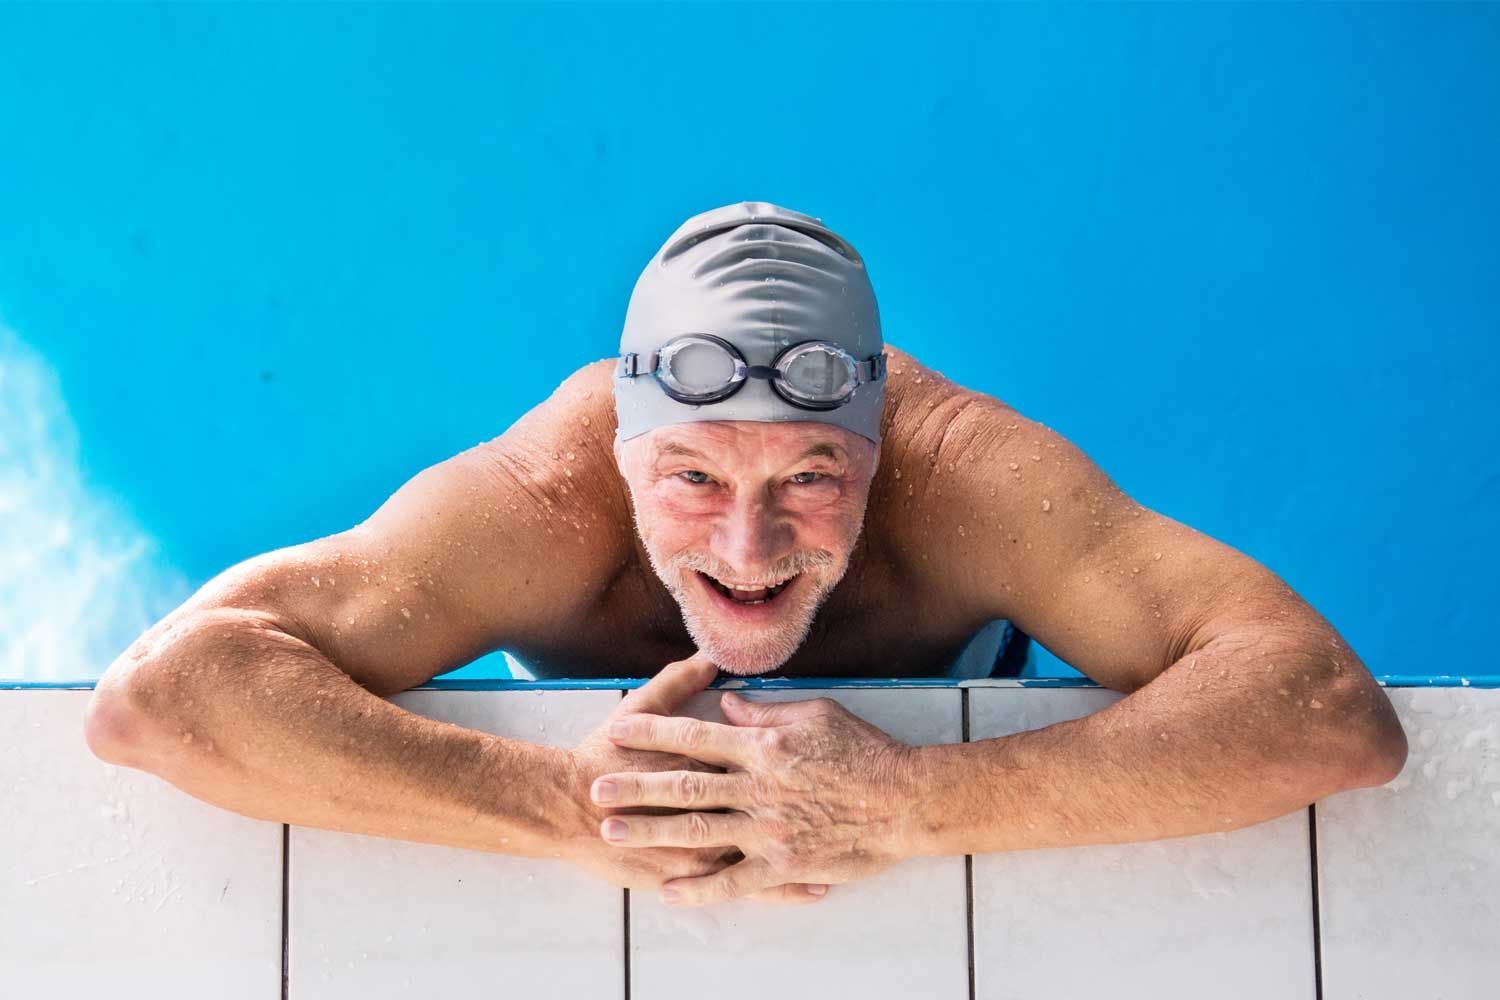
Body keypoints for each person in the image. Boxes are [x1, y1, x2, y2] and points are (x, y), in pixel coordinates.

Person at [84, 201, 1407, 908]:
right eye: (693, 477)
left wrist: (912, 804)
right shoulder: (537, 502)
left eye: (813, 477)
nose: (748, 546)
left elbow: (1322, 710)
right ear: (620, 460)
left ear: (882, 455)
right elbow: (166, 694)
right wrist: (565, 808)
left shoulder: (970, 481)